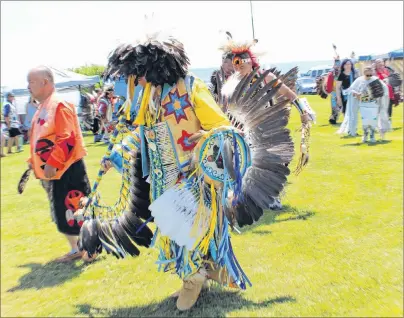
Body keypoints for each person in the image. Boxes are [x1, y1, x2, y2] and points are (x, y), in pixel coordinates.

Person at [78, 31, 300, 311]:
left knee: (188, 231)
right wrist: (119, 153)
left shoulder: (191, 87)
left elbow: (222, 126)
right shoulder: (150, 96)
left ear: (155, 66)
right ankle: (204, 272)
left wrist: (208, 137)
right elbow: (143, 134)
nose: (137, 79)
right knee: (175, 231)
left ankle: (193, 278)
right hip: (162, 177)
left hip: (193, 177)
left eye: (139, 73)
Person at [26, 65, 91, 262]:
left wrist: (53, 162)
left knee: (76, 208)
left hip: (67, 169)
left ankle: (90, 248)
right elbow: (40, 138)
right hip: (55, 171)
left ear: (44, 82)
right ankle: (76, 249)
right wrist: (33, 161)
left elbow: (67, 137)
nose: (28, 87)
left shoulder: (58, 105)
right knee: (63, 212)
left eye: (31, 82)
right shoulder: (43, 107)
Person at [338, 66, 390, 142]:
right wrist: (356, 94)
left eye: (370, 75)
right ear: (364, 73)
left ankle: (372, 135)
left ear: (372, 73)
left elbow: (384, 89)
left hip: (373, 104)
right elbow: (351, 90)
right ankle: (365, 134)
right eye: (367, 75)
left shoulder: (376, 80)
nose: (369, 76)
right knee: (365, 121)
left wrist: (377, 94)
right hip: (363, 104)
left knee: (372, 120)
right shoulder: (359, 80)